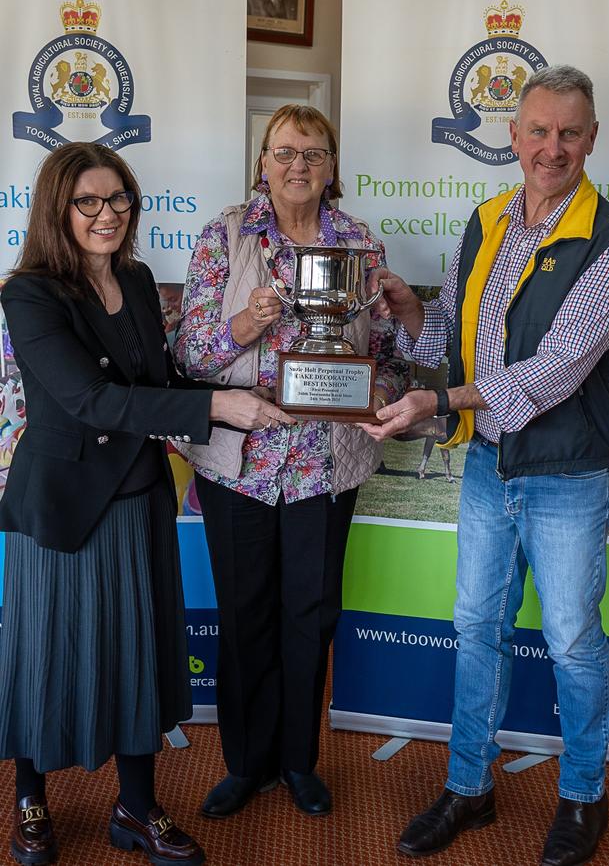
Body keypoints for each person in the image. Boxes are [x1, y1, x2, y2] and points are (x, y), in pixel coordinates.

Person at [360, 66, 609, 866]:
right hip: (489, 464)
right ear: (514, 136)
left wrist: (439, 402)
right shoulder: (484, 220)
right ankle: (468, 786)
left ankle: (583, 794)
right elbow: (451, 330)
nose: (552, 147)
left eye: (570, 132)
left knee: (572, 638)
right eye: (538, 130)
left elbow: (555, 369)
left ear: (593, 140)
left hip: (566, 474)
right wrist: (412, 312)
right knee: (477, 626)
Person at [0, 142, 293, 866]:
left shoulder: (134, 279)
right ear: (57, 210)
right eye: (90, 202)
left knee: (138, 651)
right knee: (47, 654)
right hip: (63, 506)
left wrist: (234, 403)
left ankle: (137, 808)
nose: (108, 215)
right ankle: (30, 799)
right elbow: (89, 398)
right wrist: (215, 404)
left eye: (120, 199)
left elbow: (156, 380)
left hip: (136, 497)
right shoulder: (29, 292)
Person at [173, 104, 408, 818]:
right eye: (283, 151)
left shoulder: (360, 244)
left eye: (313, 152)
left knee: (311, 613)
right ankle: (246, 762)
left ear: (332, 165)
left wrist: (380, 399)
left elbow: (390, 358)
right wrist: (248, 321)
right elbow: (187, 356)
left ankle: (299, 760)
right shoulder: (223, 235)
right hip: (239, 462)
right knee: (245, 613)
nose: (298, 164)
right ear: (262, 163)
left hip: (324, 463)